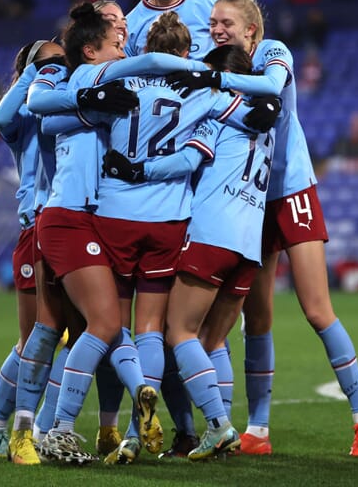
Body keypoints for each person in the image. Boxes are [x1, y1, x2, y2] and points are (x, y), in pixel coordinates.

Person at [165, 0, 358, 457]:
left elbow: (274, 86)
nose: (216, 28)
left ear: (251, 30)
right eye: (214, 22)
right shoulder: (217, 63)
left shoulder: (272, 52)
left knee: (317, 309)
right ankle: (257, 430)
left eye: (226, 22)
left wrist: (212, 76)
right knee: (256, 318)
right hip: (251, 202)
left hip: (293, 191)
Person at [103, 43, 277, 461]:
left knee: (174, 333)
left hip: (211, 234)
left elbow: (188, 159)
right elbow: (265, 103)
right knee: (212, 341)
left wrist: (137, 169)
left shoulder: (215, 106)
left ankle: (213, 426)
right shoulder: (263, 117)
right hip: (249, 245)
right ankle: (204, 435)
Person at [26, 2, 159, 465]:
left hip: (89, 220)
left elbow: (53, 118)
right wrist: (89, 103)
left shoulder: (104, 83)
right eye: (116, 39)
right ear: (90, 49)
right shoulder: (83, 78)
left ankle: (54, 423)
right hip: (68, 217)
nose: (124, 43)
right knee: (87, 326)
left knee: (95, 327)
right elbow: (37, 108)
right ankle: (47, 430)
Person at [0, 38, 65, 463]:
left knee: (64, 334)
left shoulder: (63, 103)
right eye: (49, 63)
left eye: (61, 62)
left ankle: (41, 427)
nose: (57, 69)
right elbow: (0, 116)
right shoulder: (25, 114)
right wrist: (37, 72)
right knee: (35, 338)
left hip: (69, 223)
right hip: (37, 227)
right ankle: (0, 427)